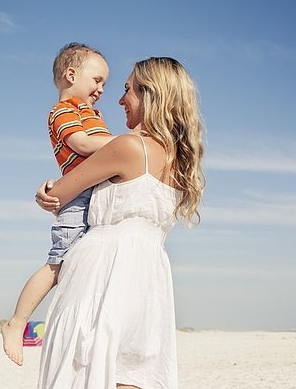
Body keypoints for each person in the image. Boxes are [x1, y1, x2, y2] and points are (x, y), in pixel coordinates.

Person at [34, 57, 205, 388]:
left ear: (150, 95)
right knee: (134, 373)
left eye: (128, 90)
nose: (119, 99)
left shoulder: (126, 146)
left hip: (103, 269)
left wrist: (46, 190)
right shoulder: (179, 161)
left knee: (82, 371)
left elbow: (59, 196)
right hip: (150, 278)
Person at [1, 43, 116, 366]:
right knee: (58, 263)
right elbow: (81, 144)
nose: (101, 89)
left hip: (92, 193)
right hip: (78, 198)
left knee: (83, 267)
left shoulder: (92, 112)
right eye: (97, 80)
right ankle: (17, 322)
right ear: (70, 75)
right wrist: (128, 140)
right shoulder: (65, 110)